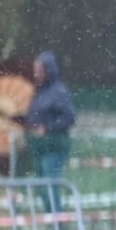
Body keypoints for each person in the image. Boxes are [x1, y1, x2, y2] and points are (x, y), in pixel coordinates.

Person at [23, 51, 77, 213]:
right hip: (39, 148)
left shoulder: (59, 92)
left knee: (50, 184)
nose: (36, 74)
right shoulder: (38, 93)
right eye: (35, 70)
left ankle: (57, 223)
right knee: (42, 186)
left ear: (49, 70)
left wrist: (47, 128)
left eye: (40, 70)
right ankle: (49, 220)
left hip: (54, 147)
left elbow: (70, 118)